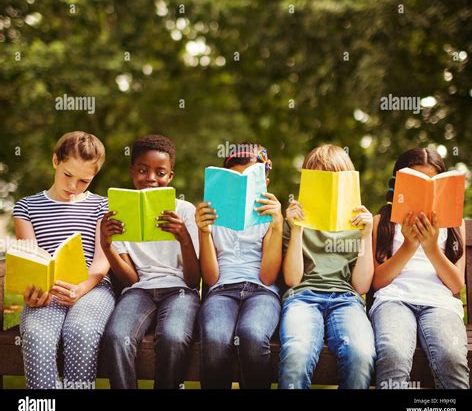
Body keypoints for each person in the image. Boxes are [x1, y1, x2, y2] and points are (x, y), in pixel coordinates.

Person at [13, 131, 114, 389]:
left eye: (84, 181)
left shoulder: (101, 206)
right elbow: (30, 260)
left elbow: (102, 262)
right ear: (56, 161)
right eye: (68, 175)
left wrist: (80, 289)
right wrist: (35, 291)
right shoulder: (26, 207)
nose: (73, 186)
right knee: (36, 335)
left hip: (92, 287)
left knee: (81, 331)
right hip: (48, 290)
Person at [102, 134, 200, 389]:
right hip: (139, 290)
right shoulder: (119, 212)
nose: (151, 179)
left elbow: (192, 280)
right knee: (116, 337)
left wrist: (183, 237)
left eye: (161, 172)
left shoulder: (185, 211)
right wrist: (106, 245)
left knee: (174, 337)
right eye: (143, 170)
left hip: (180, 290)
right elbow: (130, 279)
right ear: (132, 171)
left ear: (170, 177)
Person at [278, 144, 376, 389]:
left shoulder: (357, 223)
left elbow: (361, 285)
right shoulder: (294, 220)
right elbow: (292, 279)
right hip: (302, 297)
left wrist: (366, 236)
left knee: (361, 354)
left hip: (346, 299)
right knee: (296, 353)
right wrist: (298, 229)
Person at [371, 147, 469, 389]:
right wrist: (409, 245)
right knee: (393, 353)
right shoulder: (381, 222)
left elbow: (456, 284)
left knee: (451, 357)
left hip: (440, 303)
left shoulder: (455, 225)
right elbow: (377, 282)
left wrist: (431, 247)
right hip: (393, 300)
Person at [196, 142, 283, 388]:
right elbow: (211, 279)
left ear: (265, 180)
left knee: (252, 336)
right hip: (221, 290)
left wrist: (277, 226)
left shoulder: (270, 217)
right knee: (215, 339)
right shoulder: (213, 216)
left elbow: (267, 277)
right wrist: (204, 232)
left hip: (261, 292)